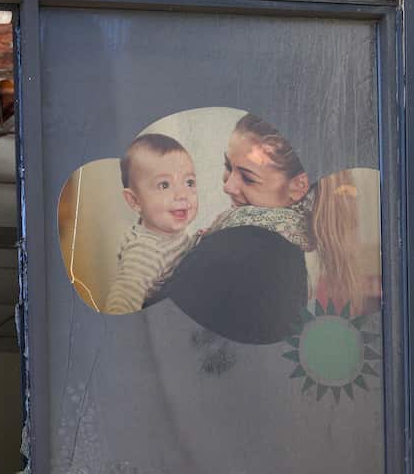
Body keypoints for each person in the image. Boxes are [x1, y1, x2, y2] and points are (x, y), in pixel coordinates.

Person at [145, 113, 365, 344]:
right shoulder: (285, 249)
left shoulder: (242, 246)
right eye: (228, 166)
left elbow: (153, 331)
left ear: (298, 187)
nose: (228, 186)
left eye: (248, 178)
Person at [103, 134, 200, 314]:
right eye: (164, 185)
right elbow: (124, 295)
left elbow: (179, 256)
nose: (182, 194)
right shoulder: (146, 249)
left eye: (189, 182)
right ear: (135, 201)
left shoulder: (165, 233)